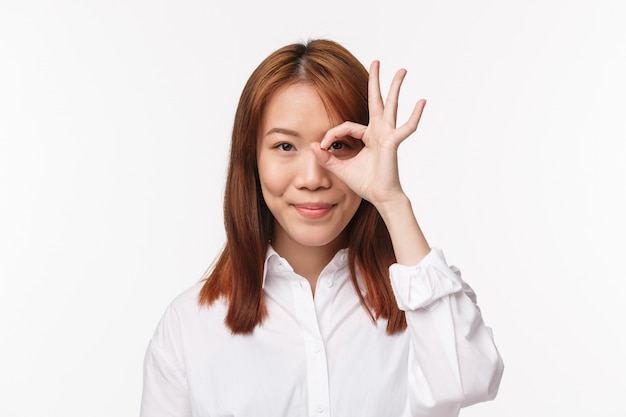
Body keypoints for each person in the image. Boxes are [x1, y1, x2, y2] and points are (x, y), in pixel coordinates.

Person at [140, 39, 504, 417]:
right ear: (252, 158)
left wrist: (392, 201)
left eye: (340, 144)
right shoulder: (190, 325)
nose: (313, 178)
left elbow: (471, 381)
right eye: (285, 147)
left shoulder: (422, 302)